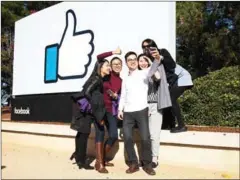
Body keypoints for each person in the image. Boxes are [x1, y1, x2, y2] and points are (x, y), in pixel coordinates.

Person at [118, 51, 161, 176]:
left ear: (137, 61)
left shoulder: (144, 72)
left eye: (134, 59)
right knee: (127, 138)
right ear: (126, 63)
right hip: (127, 112)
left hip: (142, 109)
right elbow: (123, 95)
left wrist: (155, 60)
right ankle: (133, 164)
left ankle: (147, 164)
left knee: (145, 138)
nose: (132, 61)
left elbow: (157, 76)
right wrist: (120, 109)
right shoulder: (125, 78)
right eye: (129, 59)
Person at [70, 59, 111, 173]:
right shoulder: (97, 79)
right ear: (100, 67)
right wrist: (93, 108)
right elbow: (87, 92)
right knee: (83, 134)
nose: (109, 68)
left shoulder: (97, 78)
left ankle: (79, 157)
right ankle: (82, 161)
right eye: (107, 65)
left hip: (84, 109)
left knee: (81, 134)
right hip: (86, 110)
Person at [137, 51, 171, 168]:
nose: (143, 63)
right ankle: (145, 158)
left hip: (154, 104)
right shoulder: (137, 74)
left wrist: (152, 63)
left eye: (145, 60)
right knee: (144, 135)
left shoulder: (153, 72)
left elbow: (158, 77)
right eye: (141, 60)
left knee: (154, 134)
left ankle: (154, 158)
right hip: (141, 106)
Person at [96, 47, 122, 166]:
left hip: (111, 110)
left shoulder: (121, 81)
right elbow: (99, 57)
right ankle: (100, 161)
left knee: (113, 135)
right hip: (101, 109)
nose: (117, 66)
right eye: (114, 64)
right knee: (100, 134)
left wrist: (116, 96)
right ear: (110, 66)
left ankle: (103, 158)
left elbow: (119, 97)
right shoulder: (108, 74)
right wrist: (113, 52)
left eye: (119, 64)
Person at [169, 64, 193, 133]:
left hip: (182, 79)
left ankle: (181, 125)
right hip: (182, 79)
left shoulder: (164, 60)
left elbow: (175, 75)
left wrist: (170, 85)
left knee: (172, 100)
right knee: (171, 100)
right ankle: (179, 125)